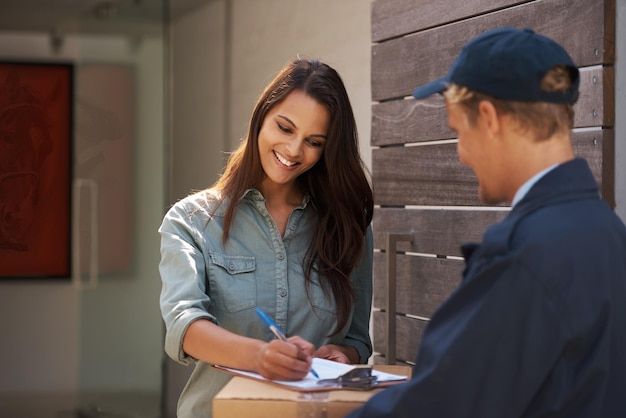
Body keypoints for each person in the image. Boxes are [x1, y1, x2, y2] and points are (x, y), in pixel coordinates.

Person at [347, 27, 626, 418]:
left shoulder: (524, 256)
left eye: (458, 133)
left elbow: (441, 406)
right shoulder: (610, 234)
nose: (462, 155)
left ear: (489, 118)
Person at [158, 58, 374, 418]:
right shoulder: (191, 221)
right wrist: (260, 357)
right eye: (285, 128)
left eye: (314, 141)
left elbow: (355, 339)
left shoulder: (347, 226)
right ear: (262, 116)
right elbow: (185, 327)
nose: (293, 150)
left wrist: (342, 356)